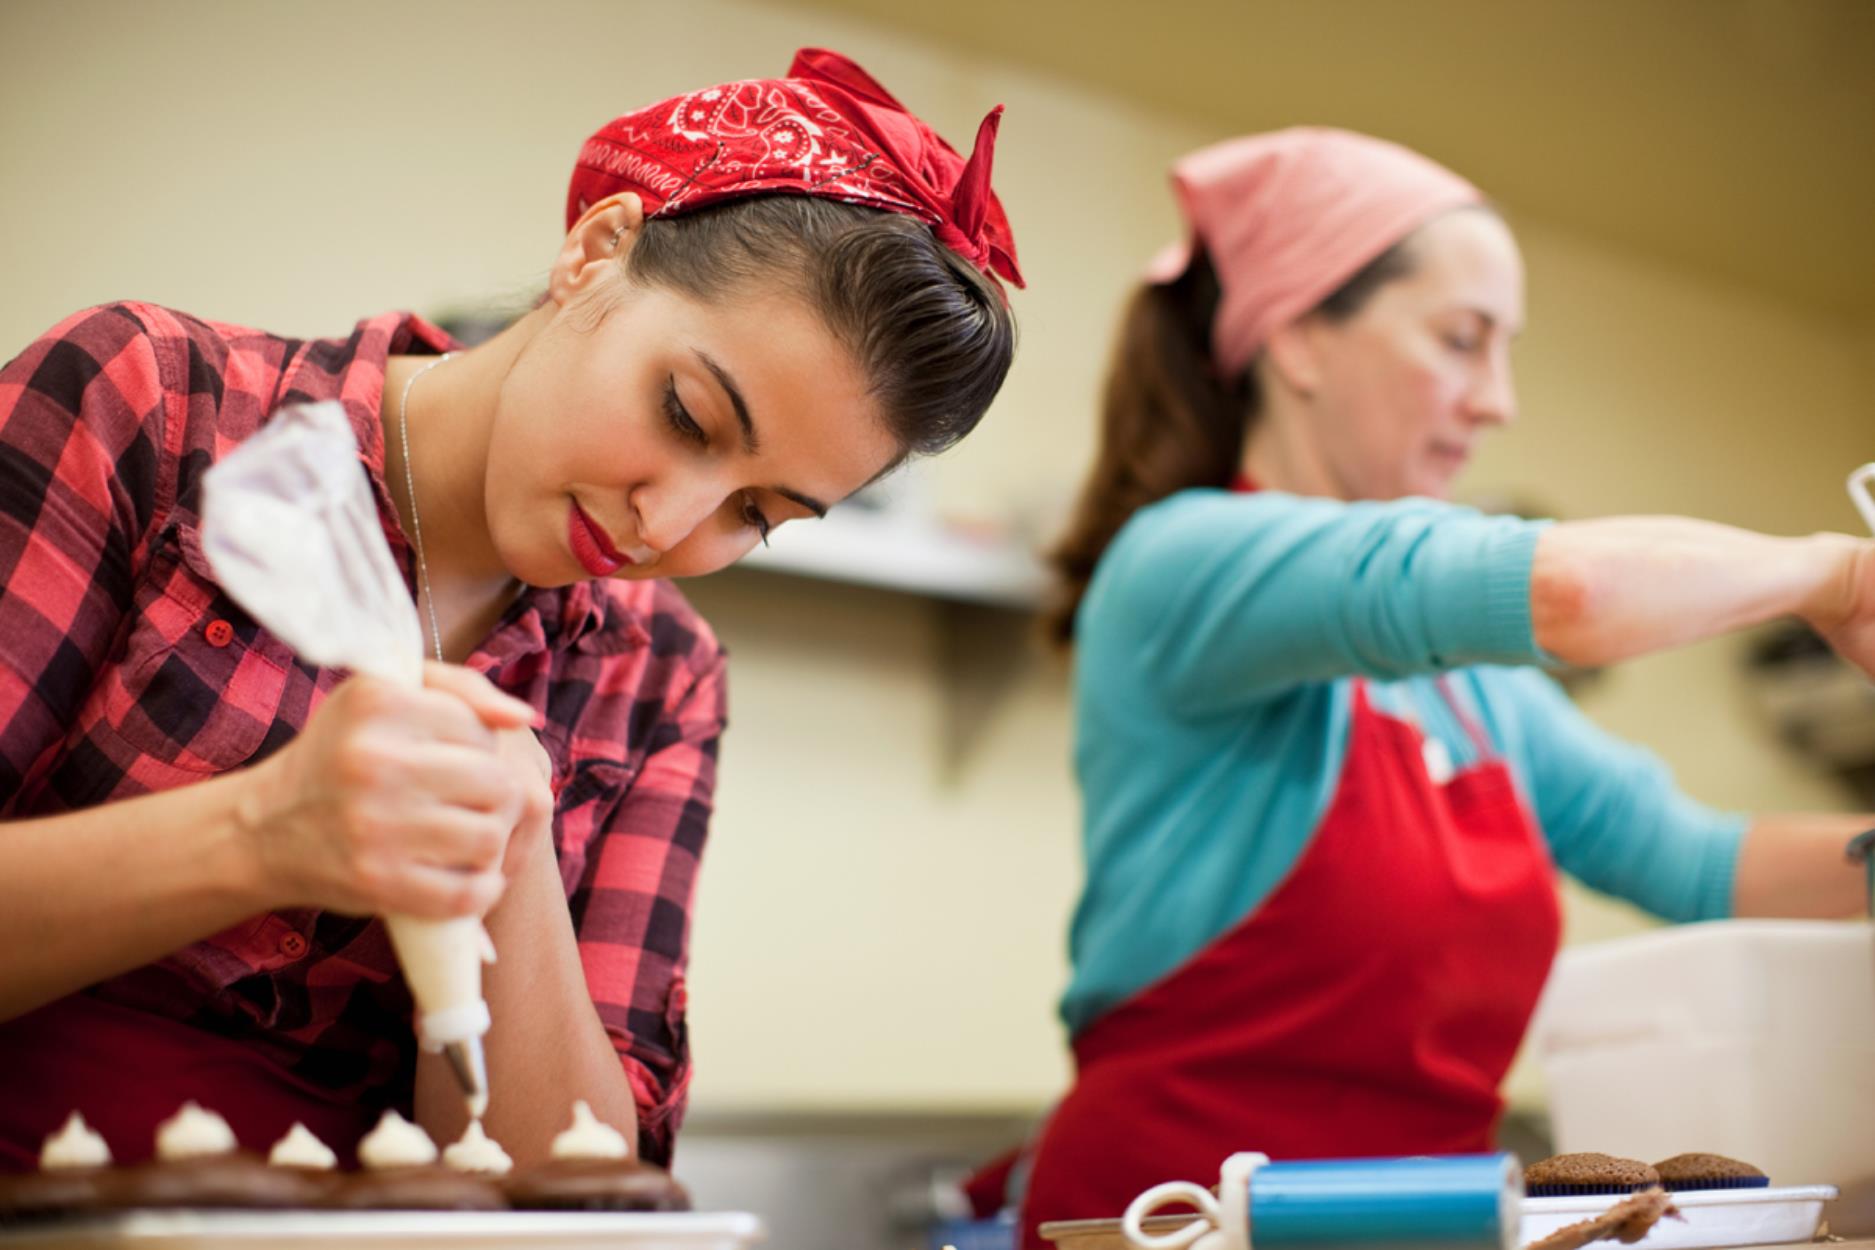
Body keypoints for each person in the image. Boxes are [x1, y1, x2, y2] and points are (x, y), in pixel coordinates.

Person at [0, 47, 1022, 1172]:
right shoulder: (155, 402)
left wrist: (512, 856)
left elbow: (574, 1182)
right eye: (684, 413)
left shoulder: (656, 673)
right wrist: (267, 829)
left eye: (759, 512)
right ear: (595, 253)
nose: (667, 525)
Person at [1011, 127, 1869, 1244]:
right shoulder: (1181, 561)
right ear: (1303, 338)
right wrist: (1837, 571)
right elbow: (1568, 596)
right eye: (1463, 340)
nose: (1497, 398)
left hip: (1426, 1221)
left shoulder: (1469, 693)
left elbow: (1689, 855)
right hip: (1182, 1218)